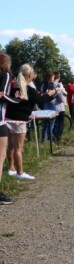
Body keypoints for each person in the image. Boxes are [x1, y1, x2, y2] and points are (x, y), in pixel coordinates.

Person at [5, 64, 56, 180]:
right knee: (19, 148)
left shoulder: (12, 86)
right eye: (33, 73)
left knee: (11, 146)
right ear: (29, 75)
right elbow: (40, 100)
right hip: (20, 120)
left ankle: (11, 168)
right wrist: (51, 94)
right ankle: (20, 172)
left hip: (8, 119)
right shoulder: (29, 89)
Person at [0, 52, 18, 204]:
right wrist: (16, 100)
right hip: (0, 121)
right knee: (0, 158)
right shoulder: (5, 75)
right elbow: (1, 95)